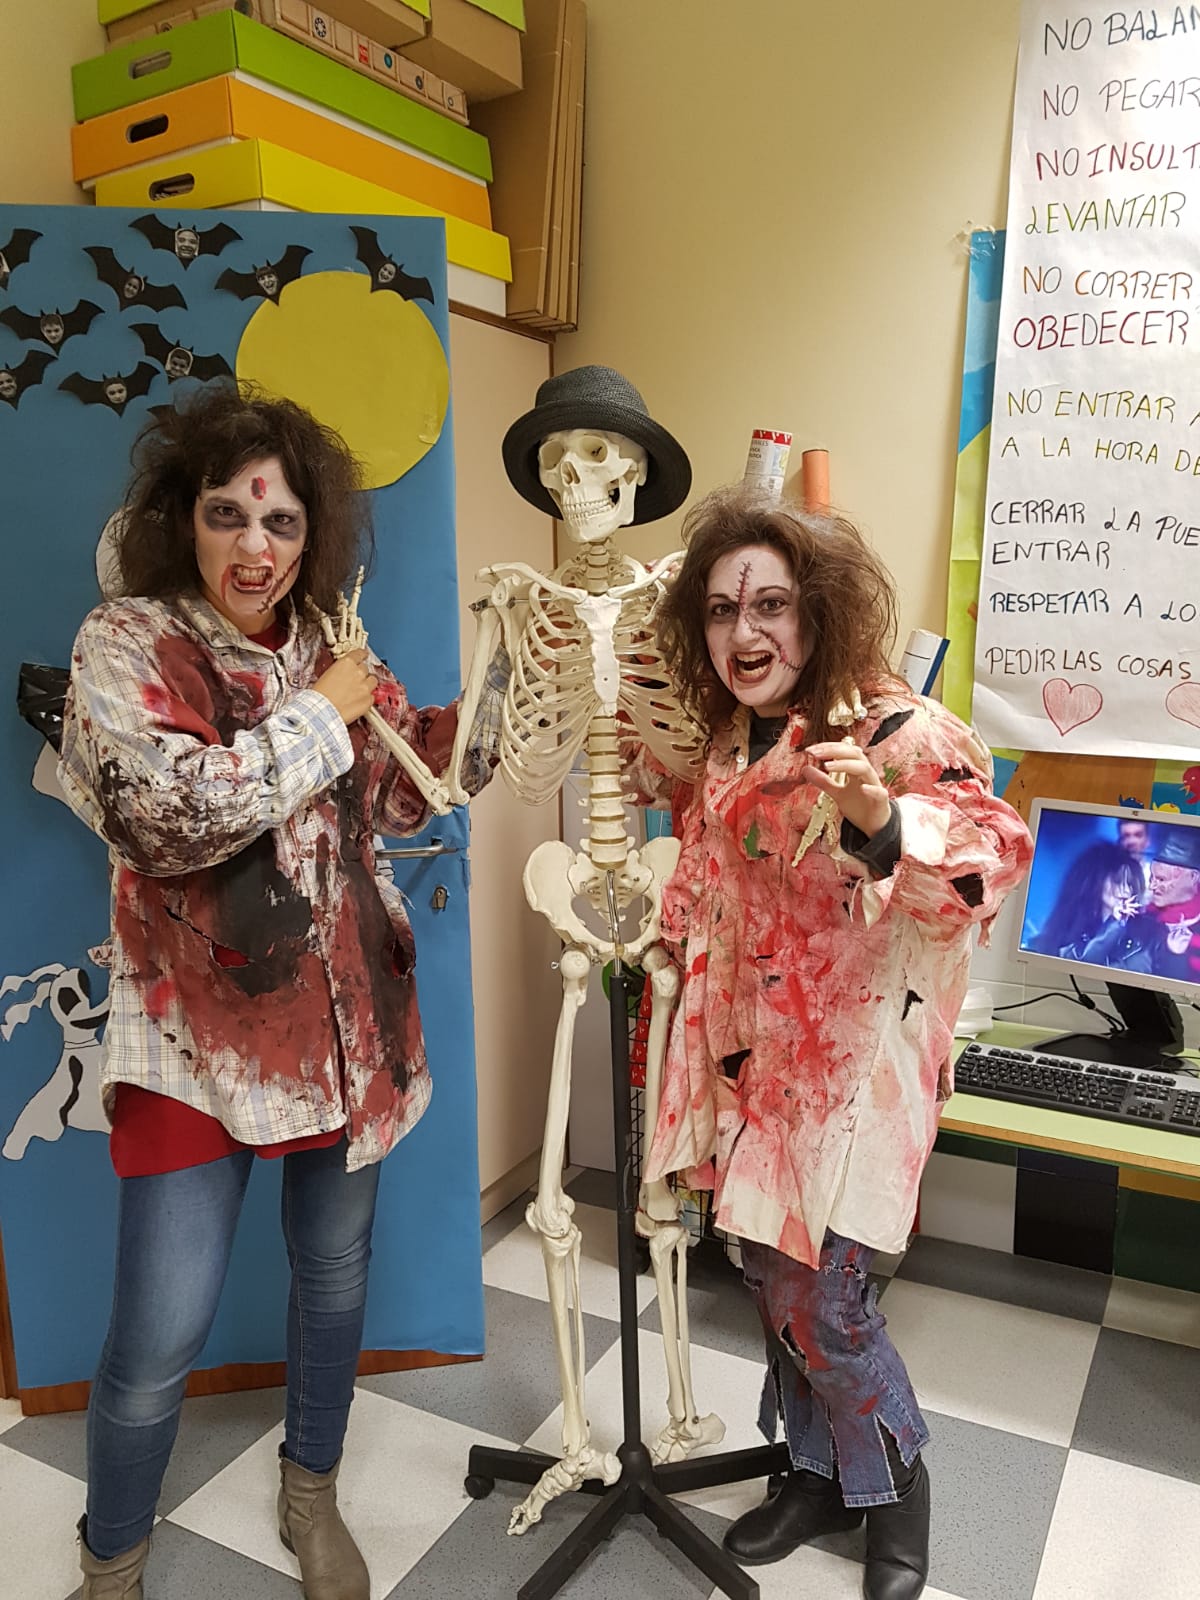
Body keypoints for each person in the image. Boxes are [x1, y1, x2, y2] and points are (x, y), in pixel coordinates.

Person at [58, 384, 505, 1600]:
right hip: (192, 1039)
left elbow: (404, 792)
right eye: (228, 514)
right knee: (158, 1332)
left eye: (284, 522)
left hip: (347, 1030)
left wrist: (509, 699)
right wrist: (321, 715)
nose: (256, 546)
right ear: (183, 518)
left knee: (333, 1276)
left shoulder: (331, 651)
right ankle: (112, 1563)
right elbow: (167, 817)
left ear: (315, 536)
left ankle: (312, 1488)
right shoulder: (125, 642)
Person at [631, 488, 1032, 1600]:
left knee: (831, 1303)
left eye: (770, 604)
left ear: (818, 610)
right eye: (722, 610)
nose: (744, 632)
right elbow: (717, 875)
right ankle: (815, 1474)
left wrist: (885, 825)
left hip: (859, 1072)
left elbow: (994, 857)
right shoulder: (733, 740)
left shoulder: (896, 731)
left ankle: (896, 1493)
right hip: (756, 1066)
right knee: (768, 1277)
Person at [1032, 841, 1145, 968]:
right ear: (1095, 882)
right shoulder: (1066, 935)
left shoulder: (1143, 939)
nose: (1125, 891)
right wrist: (1114, 924)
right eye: (1117, 881)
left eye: (1130, 884)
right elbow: (1078, 965)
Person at [1117, 826, 1200, 982]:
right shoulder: (1140, 920)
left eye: (1161, 879)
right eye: (1152, 878)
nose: (1152, 886)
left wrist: (1176, 955)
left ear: (1193, 877)